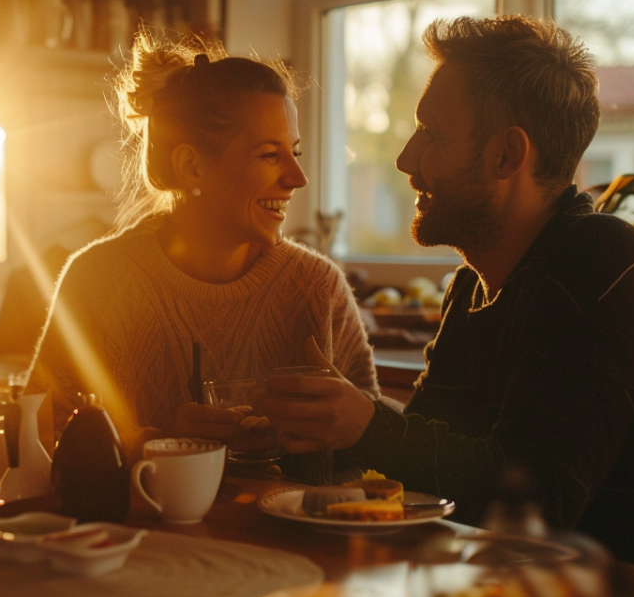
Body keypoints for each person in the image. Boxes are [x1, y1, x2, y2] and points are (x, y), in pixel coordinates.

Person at [262, 15, 634, 572]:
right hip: (549, 595)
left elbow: (538, 502)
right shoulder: (473, 287)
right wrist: (309, 434)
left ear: (506, 156)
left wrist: (369, 424)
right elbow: (427, 473)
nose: (406, 160)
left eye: (431, 134)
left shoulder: (599, 259)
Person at [26, 34, 378, 456]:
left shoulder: (318, 288)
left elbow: (375, 448)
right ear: (192, 166)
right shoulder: (96, 281)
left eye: (295, 153)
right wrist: (161, 445)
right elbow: (40, 439)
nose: (297, 178)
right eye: (269, 155)